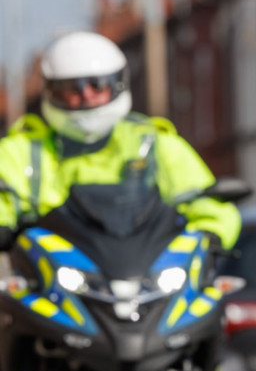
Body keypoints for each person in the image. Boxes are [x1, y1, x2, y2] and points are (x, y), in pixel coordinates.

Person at [0, 31, 240, 249]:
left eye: (97, 85)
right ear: (52, 92)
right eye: (73, 88)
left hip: (147, 274)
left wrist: (212, 234)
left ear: (118, 84)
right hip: (52, 281)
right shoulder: (21, 151)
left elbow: (205, 200)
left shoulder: (154, 145)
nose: (87, 95)